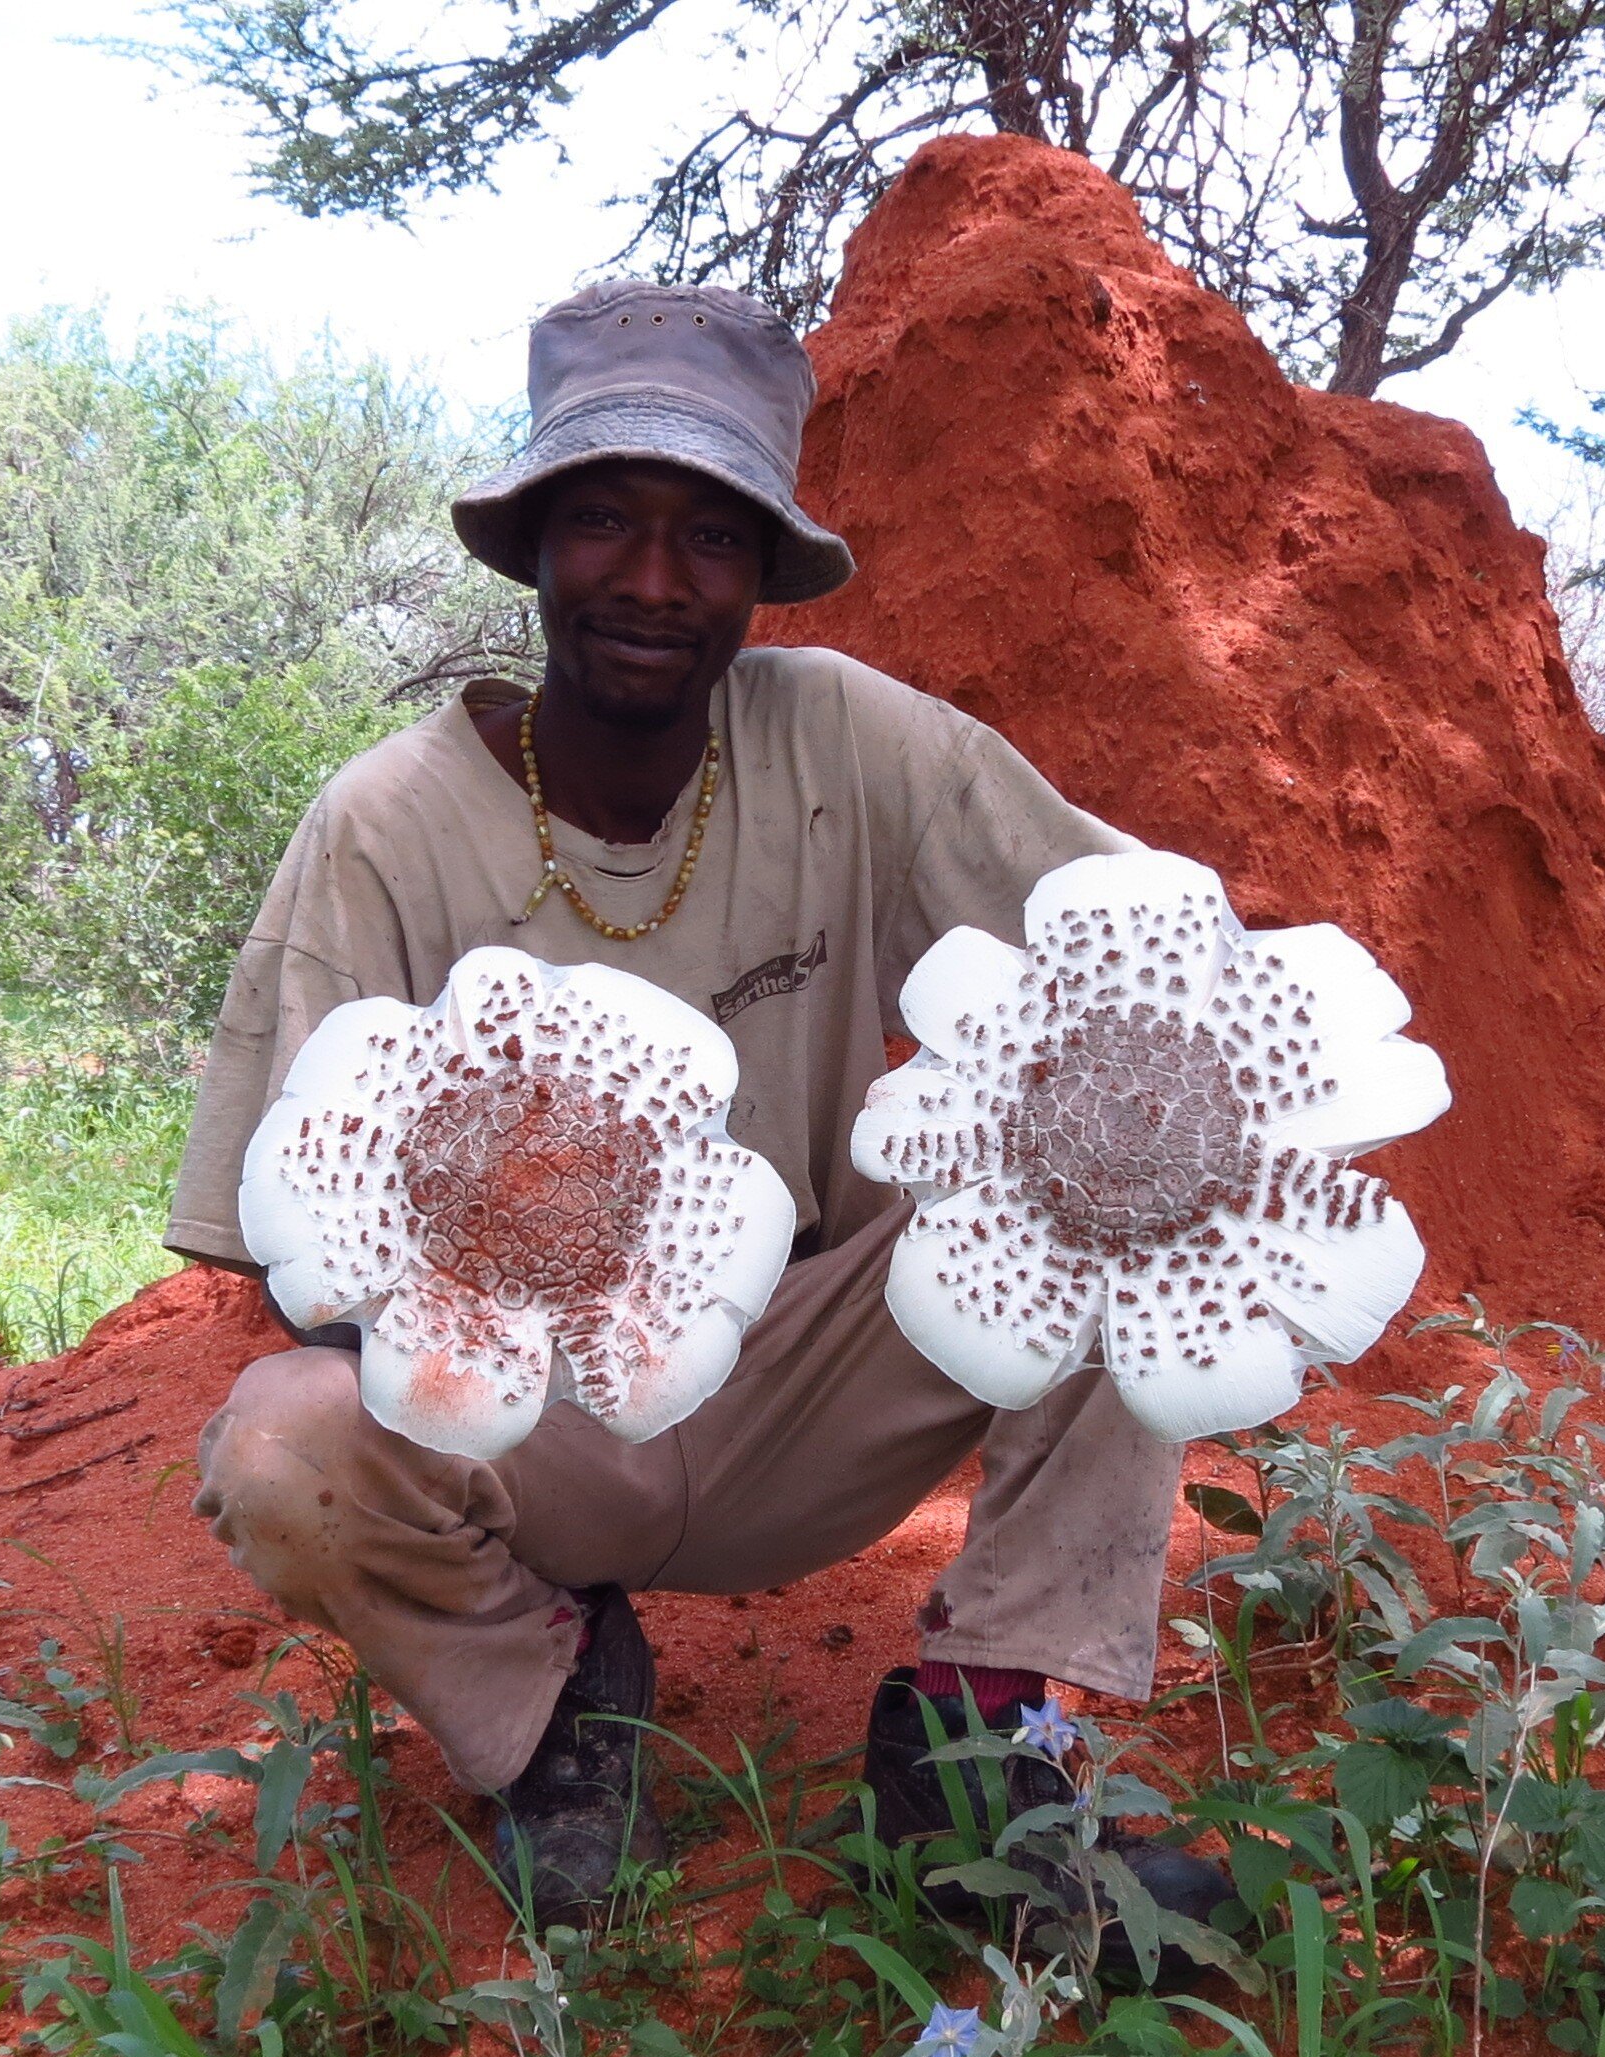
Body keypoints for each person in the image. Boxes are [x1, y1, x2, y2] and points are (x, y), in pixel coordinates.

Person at [167, 280, 1235, 1953]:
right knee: (278, 1440)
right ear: (531, 549)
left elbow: (1148, 945)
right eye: (601, 521)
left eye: (712, 536)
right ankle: (555, 1709)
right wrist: (497, 1227)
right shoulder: (385, 827)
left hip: (811, 1357)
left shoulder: (848, 743)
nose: (654, 582)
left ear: (759, 572)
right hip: (530, 1417)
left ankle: (978, 1752)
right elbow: (288, 1267)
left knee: (1130, 1178)